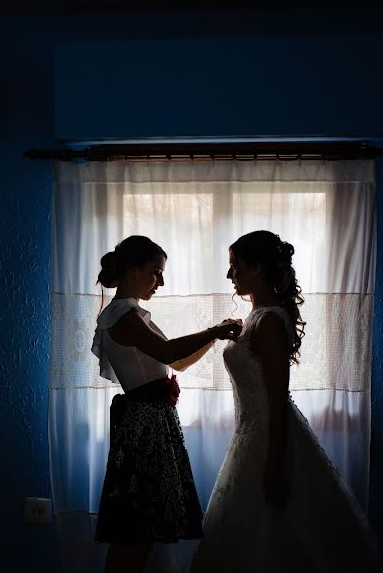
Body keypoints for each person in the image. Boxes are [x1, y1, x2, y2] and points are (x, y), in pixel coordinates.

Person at [190, 230, 383, 572]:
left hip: (269, 437)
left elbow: (278, 399)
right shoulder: (254, 318)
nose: (229, 275)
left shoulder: (269, 323)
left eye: (235, 266)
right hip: (250, 434)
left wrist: (275, 464)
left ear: (257, 269)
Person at [91, 235, 243, 573]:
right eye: (155, 272)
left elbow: (179, 363)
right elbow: (169, 352)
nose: (160, 281)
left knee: (142, 527)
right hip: (144, 426)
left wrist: (214, 335)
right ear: (132, 271)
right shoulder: (122, 314)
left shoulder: (130, 314)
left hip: (151, 422)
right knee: (135, 528)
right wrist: (215, 330)